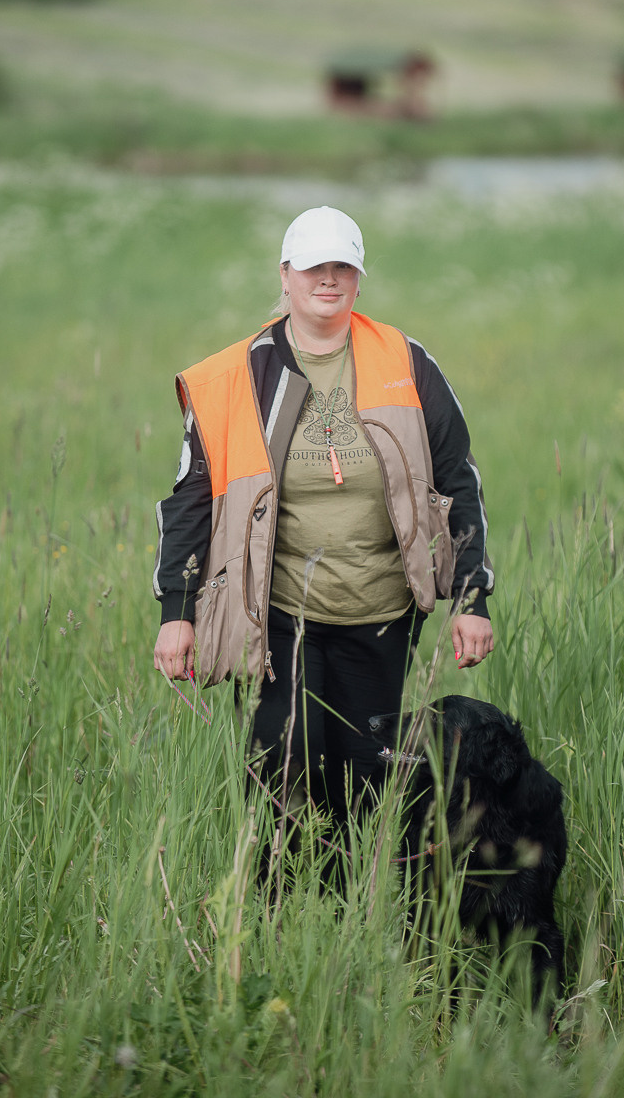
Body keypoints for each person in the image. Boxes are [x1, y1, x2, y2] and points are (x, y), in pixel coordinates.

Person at [152, 206, 494, 826]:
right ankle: (275, 889)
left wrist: (472, 599)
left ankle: (355, 888)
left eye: (343, 266)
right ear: (285, 275)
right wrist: (178, 613)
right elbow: (189, 502)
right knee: (281, 774)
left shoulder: (406, 361)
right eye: (314, 266)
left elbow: (458, 482)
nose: (328, 279)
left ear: (359, 278)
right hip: (276, 616)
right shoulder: (235, 377)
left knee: (365, 783)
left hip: (382, 616)